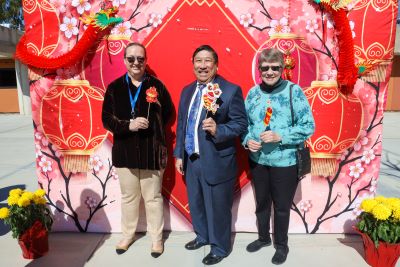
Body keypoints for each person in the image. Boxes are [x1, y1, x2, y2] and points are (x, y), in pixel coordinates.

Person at [174, 45, 247, 265]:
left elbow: (241, 124)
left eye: (208, 61)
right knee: (196, 203)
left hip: (217, 160)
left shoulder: (229, 90)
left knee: (217, 207)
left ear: (216, 65)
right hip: (192, 159)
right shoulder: (187, 90)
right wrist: (179, 154)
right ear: (193, 63)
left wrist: (218, 129)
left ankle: (220, 247)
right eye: (198, 61)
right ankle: (203, 236)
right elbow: (182, 125)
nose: (203, 66)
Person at [242, 48, 315, 265]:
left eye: (275, 67)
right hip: (258, 161)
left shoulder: (294, 91)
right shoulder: (253, 93)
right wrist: (247, 140)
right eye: (265, 68)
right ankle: (263, 238)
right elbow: (243, 124)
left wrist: (280, 136)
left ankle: (281, 245)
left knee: (281, 207)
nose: (270, 71)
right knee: (262, 203)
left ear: (282, 69)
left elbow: (309, 126)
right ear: (259, 70)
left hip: (286, 162)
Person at [102, 42, 173, 257]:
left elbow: (169, 113)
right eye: (131, 58)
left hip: (152, 153)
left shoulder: (157, 86)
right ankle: (127, 234)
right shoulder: (114, 88)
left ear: (146, 61)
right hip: (125, 154)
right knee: (129, 198)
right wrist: (128, 125)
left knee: (153, 199)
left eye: (140, 59)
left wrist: (157, 115)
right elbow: (106, 119)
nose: (136, 62)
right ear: (124, 61)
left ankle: (156, 239)